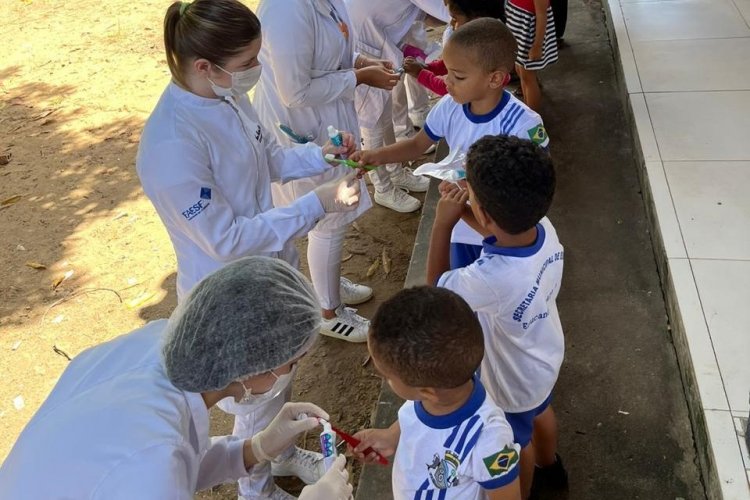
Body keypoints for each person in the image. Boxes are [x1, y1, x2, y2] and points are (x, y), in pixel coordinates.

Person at [136, 2, 362, 498]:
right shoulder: (172, 145)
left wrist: (318, 155)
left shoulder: (228, 97)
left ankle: (277, 451)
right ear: (204, 67)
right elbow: (226, 239)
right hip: (231, 286)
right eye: (247, 64)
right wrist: (313, 204)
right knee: (255, 395)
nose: (257, 71)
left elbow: (268, 159)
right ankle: (258, 488)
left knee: (282, 371)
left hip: (269, 265)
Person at [0, 257, 354, 500]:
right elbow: (156, 464)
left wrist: (254, 448)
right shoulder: (150, 463)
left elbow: (178, 459)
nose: (291, 372)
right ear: (255, 369)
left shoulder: (157, 342)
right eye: (292, 363)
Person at [426, 136, 568, 498]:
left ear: (486, 212)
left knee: (517, 443)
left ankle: (525, 490)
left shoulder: (489, 279)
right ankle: (552, 469)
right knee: (541, 411)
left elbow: (437, 294)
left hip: (511, 379)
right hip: (543, 354)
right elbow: (499, 227)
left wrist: (443, 225)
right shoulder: (543, 227)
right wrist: (468, 207)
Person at [252, 0, 399, 342]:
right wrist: (360, 76)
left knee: (334, 211)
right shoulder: (286, 10)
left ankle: (327, 285)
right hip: (302, 125)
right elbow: (296, 91)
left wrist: (362, 62)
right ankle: (329, 312)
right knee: (330, 216)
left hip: (327, 119)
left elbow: (332, 47)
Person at [352, 18, 550, 270]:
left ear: (495, 79)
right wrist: (374, 156)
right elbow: (416, 145)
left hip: (506, 230)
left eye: (458, 76)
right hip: (461, 223)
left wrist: (473, 190)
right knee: (464, 293)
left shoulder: (524, 124)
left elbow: (534, 187)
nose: (447, 81)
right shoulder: (449, 106)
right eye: (447, 71)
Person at [350, 286, 522, 499]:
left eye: (388, 377)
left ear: (426, 392)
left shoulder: (489, 440)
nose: (385, 380)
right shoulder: (440, 388)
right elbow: (414, 419)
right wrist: (391, 436)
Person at [345, 0, 451, 213]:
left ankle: (395, 171)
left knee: (384, 113)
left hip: (375, 36)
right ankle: (382, 187)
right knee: (373, 119)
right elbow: (452, 12)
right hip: (365, 39)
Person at [402, 0, 506, 97]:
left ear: (476, 20)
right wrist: (427, 68)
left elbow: (453, 87)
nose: (451, 23)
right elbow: (452, 64)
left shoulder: (483, 53)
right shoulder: (480, 39)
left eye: (455, 19)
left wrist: (420, 73)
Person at [505, 0, 559, 111]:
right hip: (518, 28)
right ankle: (527, 108)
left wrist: (537, 46)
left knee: (527, 76)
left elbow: (542, 15)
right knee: (520, 71)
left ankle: (532, 118)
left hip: (529, 34)